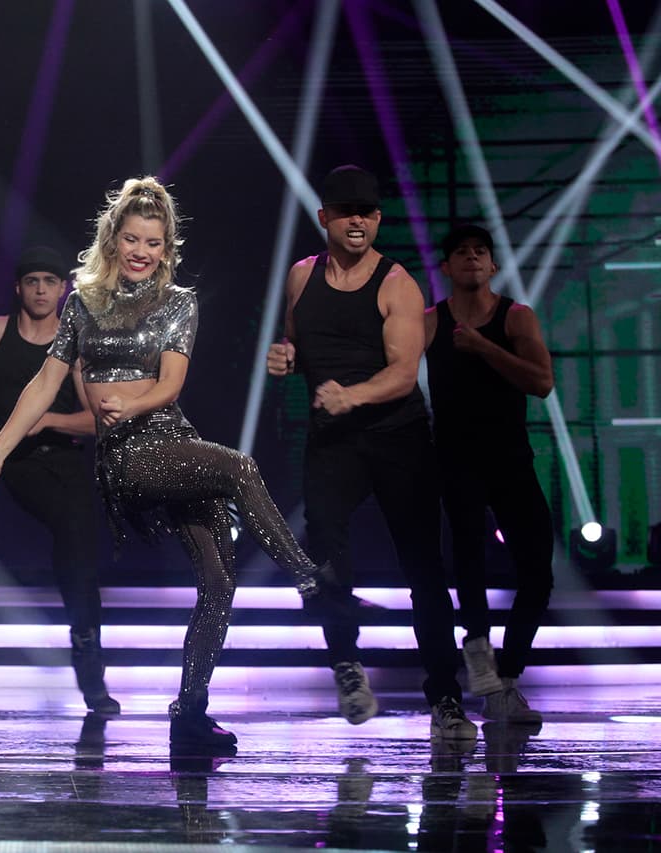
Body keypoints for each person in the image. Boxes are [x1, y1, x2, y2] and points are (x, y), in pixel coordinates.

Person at [0, 177, 338, 754]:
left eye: (155, 242)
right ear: (114, 239)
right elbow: (45, 383)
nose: (143, 251)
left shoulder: (179, 304)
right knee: (240, 468)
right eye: (134, 238)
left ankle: (189, 714)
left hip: (171, 439)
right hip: (127, 458)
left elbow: (170, 384)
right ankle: (313, 581)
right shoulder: (82, 305)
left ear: (167, 249)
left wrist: (130, 402)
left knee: (218, 582)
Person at [265, 165, 476, 741]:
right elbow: (297, 342)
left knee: (423, 569)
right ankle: (347, 666)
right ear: (324, 218)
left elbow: (406, 374)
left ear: (378, 219)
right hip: (333, 442)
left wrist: (351, 394)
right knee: (325, 556)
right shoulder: (301, 277)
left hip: (397, 437)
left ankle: (445, 696)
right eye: (347, 211)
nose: (358, 220)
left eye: (368, 212)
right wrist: (286, 357)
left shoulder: (396, 283)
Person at [0, 246, 119, 715]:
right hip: (15, 463)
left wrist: (46, 422)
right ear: (18, 287)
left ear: (64, 288)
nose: (42, 290)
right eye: (33, 281)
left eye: (50, 281)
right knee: (70, 527)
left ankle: (88, 656)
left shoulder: (77, 340)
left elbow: (96, 420)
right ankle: (84, 648)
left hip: (65, 460)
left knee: (79, 546)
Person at [425, 223, 553, 724]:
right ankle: (478, 657)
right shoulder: (432, 321)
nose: (472, 258)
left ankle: (507, 676)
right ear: (447, 267)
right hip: (455, 458)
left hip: (510, 458)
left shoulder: (516, 317)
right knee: (469, 562)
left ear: (493, 264)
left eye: (480, 251)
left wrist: (485, 349)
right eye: (461, 252)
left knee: (538, 573)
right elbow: (396, 371)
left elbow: (542, 383)